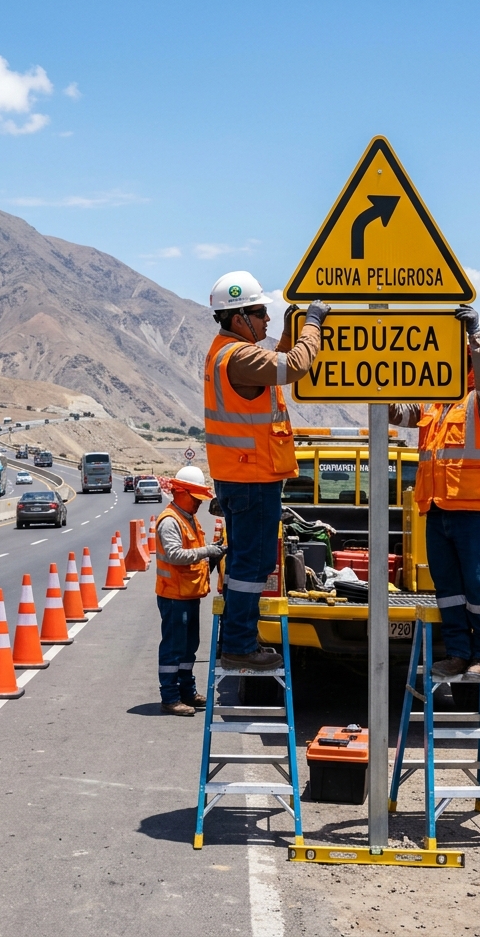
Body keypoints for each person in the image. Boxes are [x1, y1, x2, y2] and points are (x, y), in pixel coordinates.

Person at [203, 270, 330, 670]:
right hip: (250, 477)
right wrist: (313, 324)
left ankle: (237, 638)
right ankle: (240, 644)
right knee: (253, 564)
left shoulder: (230, 351)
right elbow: (293, 366)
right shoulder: (240, 356)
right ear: (238, 317)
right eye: (260, 313)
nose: (267, 320)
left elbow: (279, 358)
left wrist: (295, 325)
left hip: (243, 476)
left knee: (248, 561)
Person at [389, 305, 480, 683]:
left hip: (475, 510)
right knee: (449, 589)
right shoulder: (437, 401)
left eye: (466, 353)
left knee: (479, 587)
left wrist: (475, 334)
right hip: (437, 510)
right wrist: (369, 376)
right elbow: (398, 413)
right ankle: (458, 652)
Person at [155, 465, 224, 716]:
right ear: (182, 492)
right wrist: (208, 551)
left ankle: (187, 692)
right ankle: (170, 698)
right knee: (174, 648)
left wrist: (213, 553)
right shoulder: (170, 520)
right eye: (195, 498)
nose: (199, 503)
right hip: (174, 596)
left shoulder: (188, 517)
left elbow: (195, 553)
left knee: (188, 648)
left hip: (189, 594)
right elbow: (175, 555)